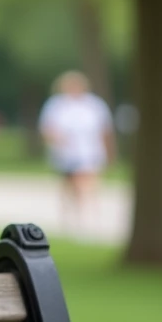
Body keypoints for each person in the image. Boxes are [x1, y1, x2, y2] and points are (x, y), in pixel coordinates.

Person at [37, 71, 114, 238]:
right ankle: (71, 219)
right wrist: (57, 140)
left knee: (86, 184)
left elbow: (104, 130)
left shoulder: (94, 105)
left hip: (89, 152)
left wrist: (108, 152)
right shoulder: (56, 105)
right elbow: (47, 128)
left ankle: (87, 219)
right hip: (65, 154)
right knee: (68, 187)